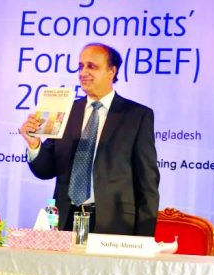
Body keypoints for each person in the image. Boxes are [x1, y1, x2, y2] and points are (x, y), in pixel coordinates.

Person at [19, 43, 159, 236]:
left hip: (114, 226)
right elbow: (46, 170)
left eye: (92, 66)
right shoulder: (67, 111)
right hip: (65, 221)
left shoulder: (136, 115)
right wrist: (34, 144)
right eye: (80, 66)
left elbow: (147, 183)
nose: (83, 72)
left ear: (111, 72)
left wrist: (144, 239)